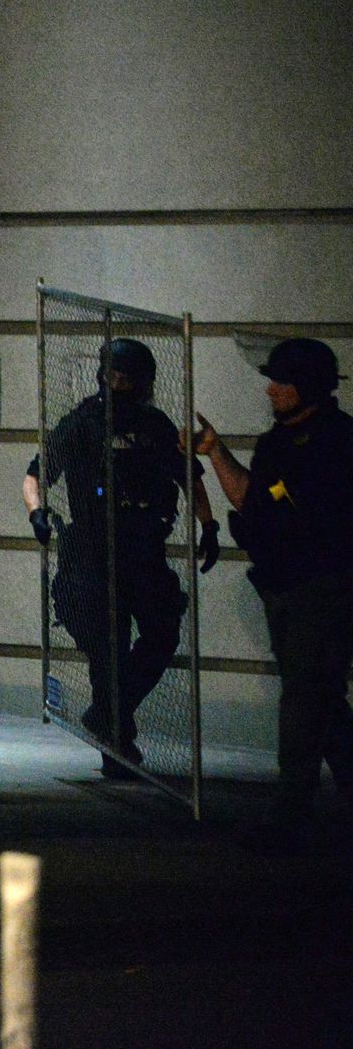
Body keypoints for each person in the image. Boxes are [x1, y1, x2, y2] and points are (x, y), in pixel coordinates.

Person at [22, 338, 220, 780]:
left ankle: (107, 715)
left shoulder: (155, 425)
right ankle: (116, 746)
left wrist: (208, 525)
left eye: (126, 377)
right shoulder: (82, 424)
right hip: (93, 552)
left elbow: (189, 476)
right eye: (113, 375)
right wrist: (36, 513)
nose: (118, 384)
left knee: (162, 633)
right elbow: (35, 475)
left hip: (143, 549)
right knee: (106, 651)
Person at [192, 337, 353, 853]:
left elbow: (310, 512)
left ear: (307, 385)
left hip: (323, 588)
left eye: (282, 381)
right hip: (283, 585)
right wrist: (216, 451)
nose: (271, 390)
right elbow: (252, 497)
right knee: (321, 699)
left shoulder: (339, 441)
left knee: (304, 700)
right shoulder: (277, 442)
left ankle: (290, 816)